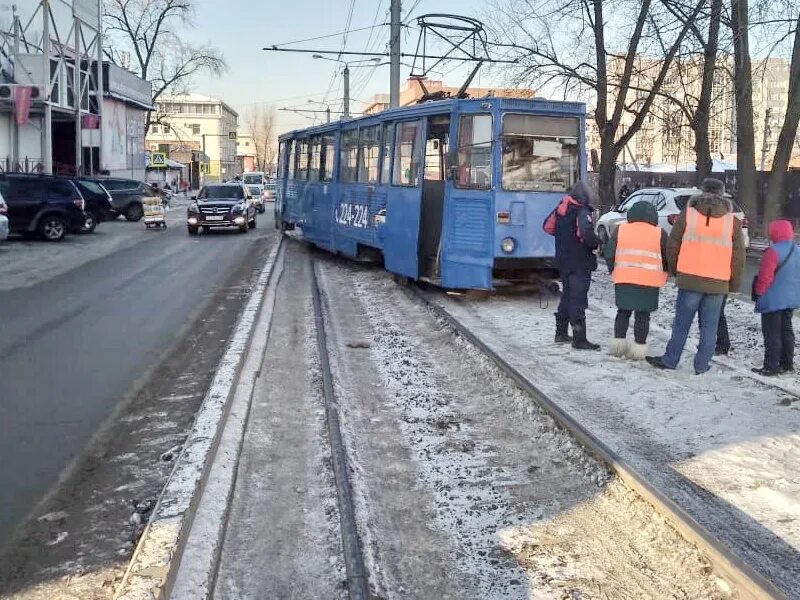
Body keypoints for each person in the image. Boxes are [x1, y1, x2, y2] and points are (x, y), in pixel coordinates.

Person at [647, 178, 745, 374]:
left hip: (690, 279)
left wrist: (676, 272)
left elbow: (672, 246)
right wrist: (733, 285)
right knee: (709, 328)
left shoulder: (688, 215)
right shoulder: (732, 222)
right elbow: (738, 257)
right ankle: (701, 366)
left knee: (681, 325)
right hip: (718, 284)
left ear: (701, 191)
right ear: (722, 193)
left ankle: (670, 360)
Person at [604, 201, 668, 359]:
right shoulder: (659, 233)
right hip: (650, 281)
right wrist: (665, 273)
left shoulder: (621, 229)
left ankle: (618, 345)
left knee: (623, 312)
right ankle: (638, 348)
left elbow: (609, 253)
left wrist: (614, 270)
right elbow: (667, 257)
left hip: (624, 278)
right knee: (643, 316)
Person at [543, 181, 601, 350]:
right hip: (579, 261)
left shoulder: (562, 208)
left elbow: (547, 226)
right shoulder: (582, 211)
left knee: (567, 296)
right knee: (578, 299)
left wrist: (564, 237)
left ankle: (560, 333)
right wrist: (596, 242)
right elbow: (586, 234)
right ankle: (579, 339)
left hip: (563, 260)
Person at [751, 220, 800, 375]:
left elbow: (765, 278)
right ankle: (787, 364)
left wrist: (758, 292)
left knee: (772, 333)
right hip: (790, 298)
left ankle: (771, 366)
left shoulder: (772, 251)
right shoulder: (797, 250)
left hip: (773, 299)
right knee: (787, 330)